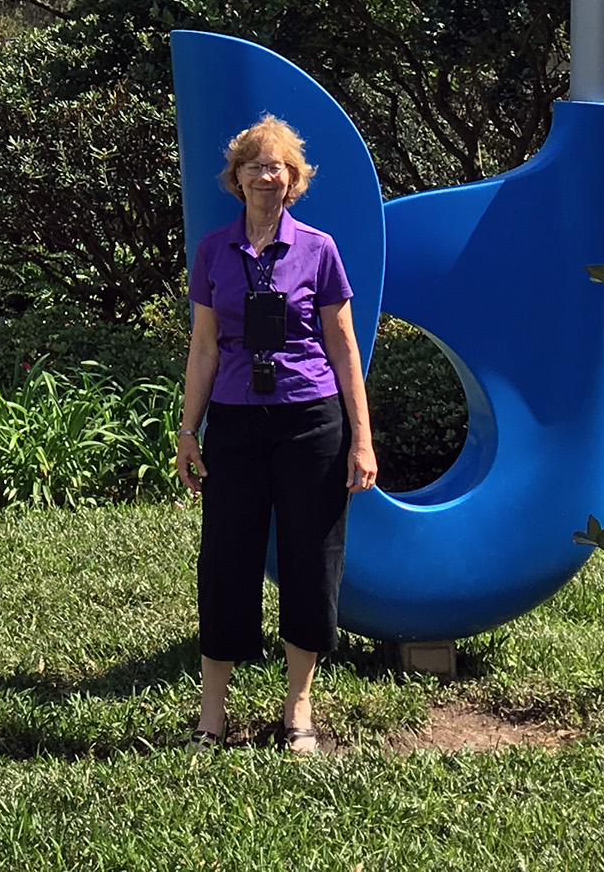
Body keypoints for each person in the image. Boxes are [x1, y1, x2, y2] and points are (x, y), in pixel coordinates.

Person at [177, 116, 379, 753]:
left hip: (311, 419)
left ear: (294, 179)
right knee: (226, 561)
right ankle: (213, 714)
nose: (267, 176)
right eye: (254, 166)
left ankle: (298, 710)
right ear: (235, 177)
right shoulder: (213, 250)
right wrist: (189, 429)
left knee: (310, 560)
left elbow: (343, 346)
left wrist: (362, 438)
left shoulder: (318, 249)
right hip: (235, 422)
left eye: (278, 167)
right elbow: (205, 348)